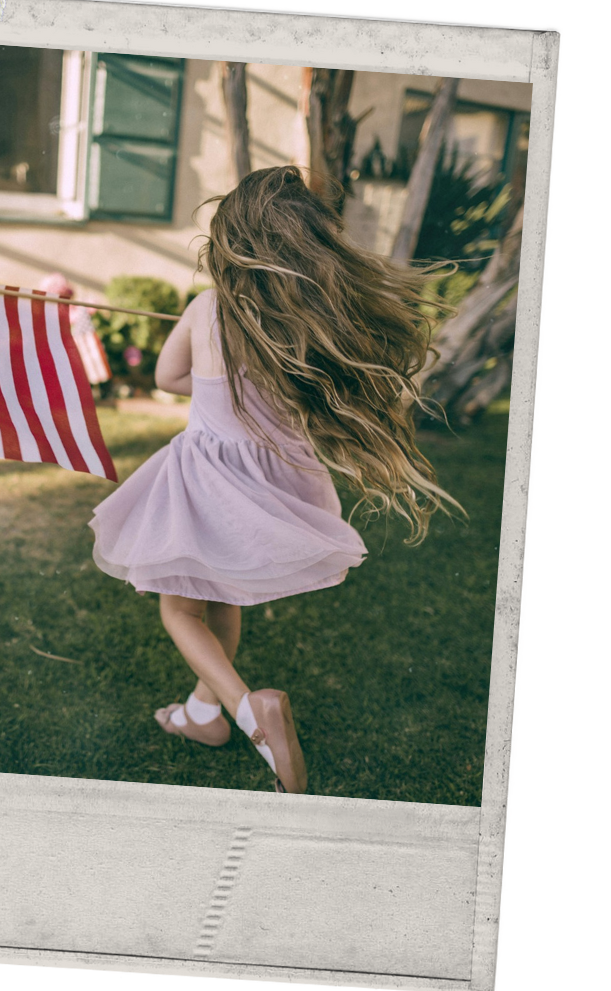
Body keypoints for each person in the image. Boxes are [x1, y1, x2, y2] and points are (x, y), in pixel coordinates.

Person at [88, 167, 462, 794]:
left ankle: (244, 709)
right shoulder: (310, 321)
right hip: (280, 480)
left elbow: (166, 378)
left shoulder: (208, 307)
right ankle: (203, 715)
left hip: (211, 476)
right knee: (225, 596)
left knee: (180, 609)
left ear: (229, 241)